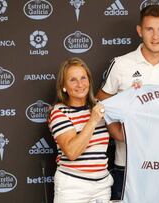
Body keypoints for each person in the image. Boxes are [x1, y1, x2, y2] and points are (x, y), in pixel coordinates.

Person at [96, 5, 159, 200]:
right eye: (149, 29)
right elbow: (101, 100)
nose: (155, 36)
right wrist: (115, 130)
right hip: (129, 164)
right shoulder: (121, 63)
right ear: (139, 31)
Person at [48, 57, 122, 203]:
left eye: (83, 78)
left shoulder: (99, 107)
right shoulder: (59, 112)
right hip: (73, 188)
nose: (80, 84)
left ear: (89, 81)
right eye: (73, 80)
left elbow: (119, 134)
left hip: (102, 186)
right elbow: (72, 152)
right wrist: (93, 120)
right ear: (64, 86)